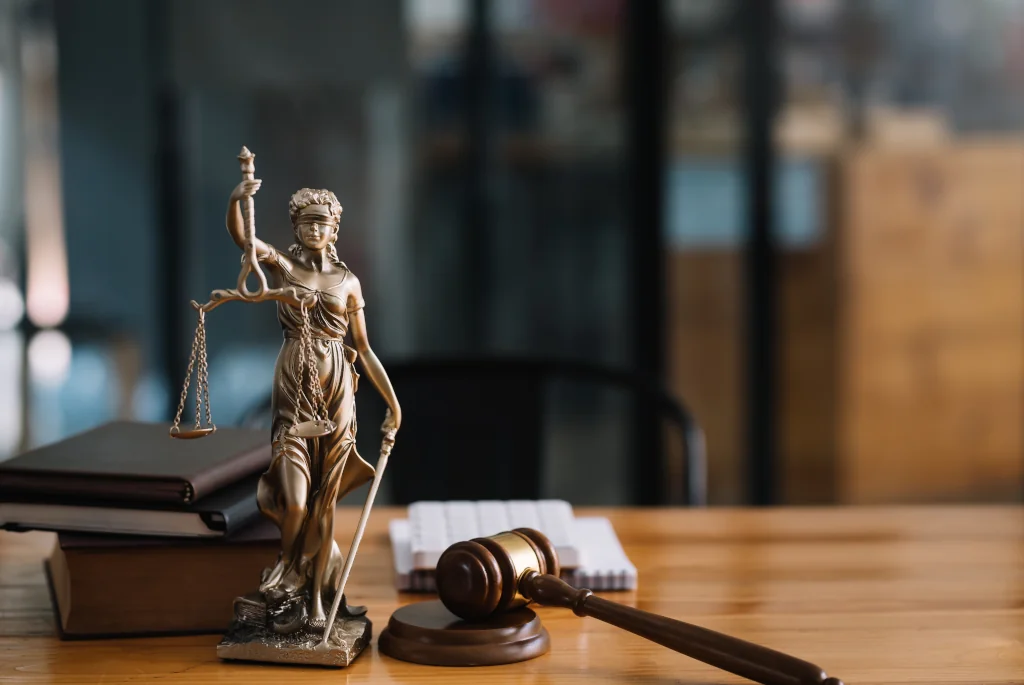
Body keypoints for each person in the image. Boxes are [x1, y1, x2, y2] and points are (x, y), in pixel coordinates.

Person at [224, 178, 401, 629]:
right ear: (296, 229)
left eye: (321, 223)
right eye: (305, 224)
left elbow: (363, 348)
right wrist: (237, 199)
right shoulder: (284, 267)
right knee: (297, 502)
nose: (313, 230)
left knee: (326, 507)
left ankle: (317, 606)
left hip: (339, 394)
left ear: (334, 228)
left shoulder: (349, 283)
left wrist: (393, 403)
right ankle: (288, 571)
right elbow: (245, 240)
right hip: (293, 393)